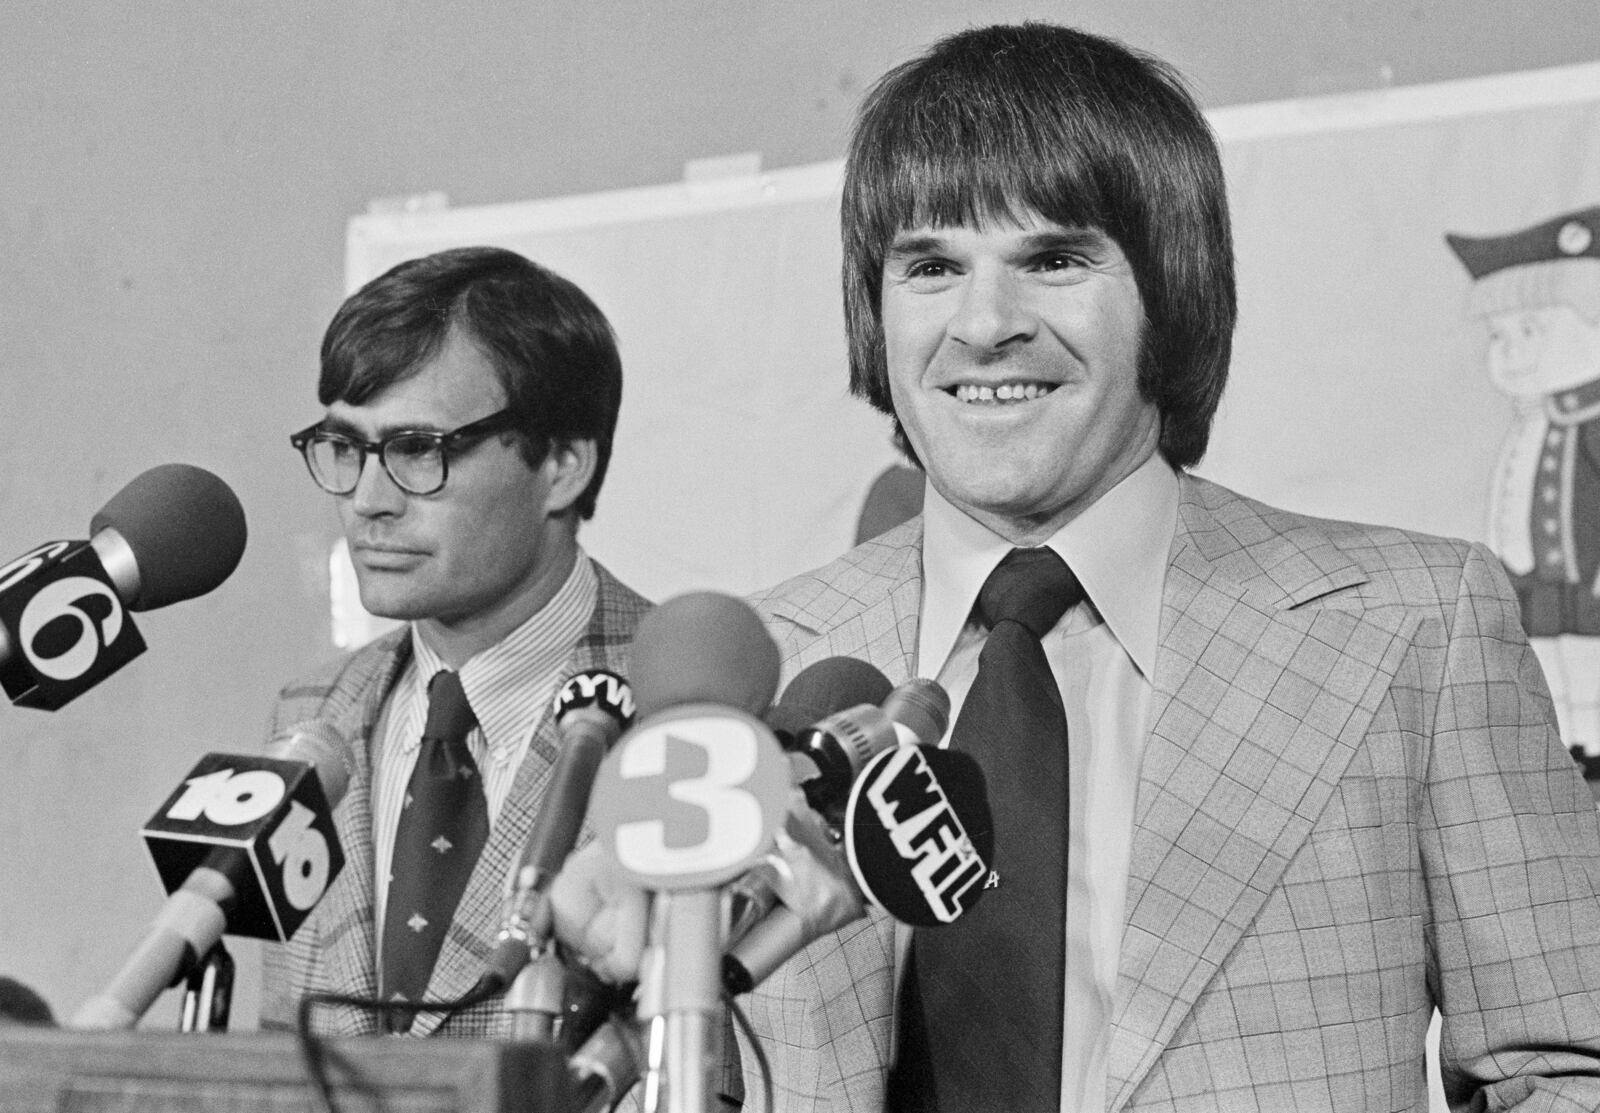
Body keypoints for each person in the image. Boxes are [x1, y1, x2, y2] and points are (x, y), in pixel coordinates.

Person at [554, 21, 1600, 1113]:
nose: (985, 325)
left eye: (1053, 260)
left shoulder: (1412, 627)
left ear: (1174, 288)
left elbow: (1562, 1072)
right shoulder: (754, 678)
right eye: (930, 267)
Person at [259, 245, 650, 1037]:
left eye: (417, 450)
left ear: (565, 465)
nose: (368, 501)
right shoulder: (309, 718)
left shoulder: (695, 705)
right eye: (345, 448)